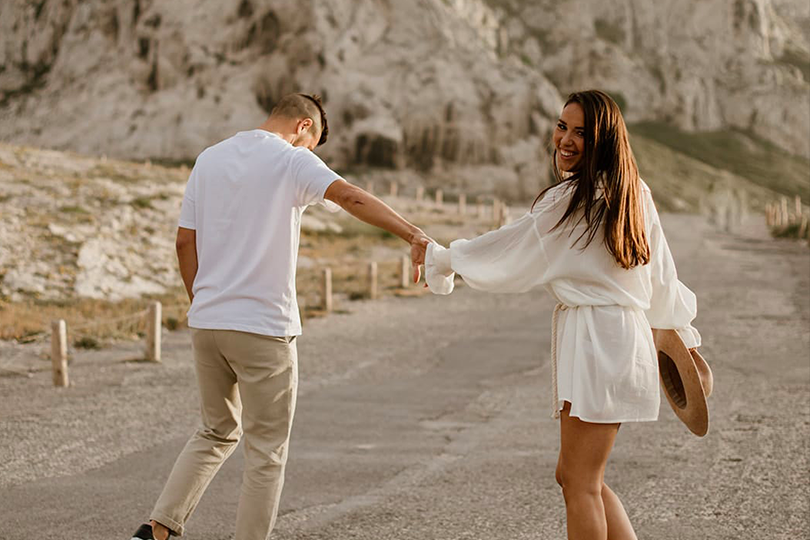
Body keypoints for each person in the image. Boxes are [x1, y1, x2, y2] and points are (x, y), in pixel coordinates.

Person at [130, 93, 431, 540]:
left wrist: (205, 301)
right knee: (266, 453)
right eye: (313, 145)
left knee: (215, 432)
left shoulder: (209, 159)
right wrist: (413, 233)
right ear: (304, 127)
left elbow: (183, 243)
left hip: (208, 322)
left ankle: (155, 531)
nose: (310, 154)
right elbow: (349, 195)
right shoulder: (291, 159)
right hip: (263, 328)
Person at [425, 90, 701, 540]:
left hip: (598, 342)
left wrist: (443, 258)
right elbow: (663, 277)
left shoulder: (576, 198)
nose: (566, 140)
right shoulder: (634, 192)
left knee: (580, 484)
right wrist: (681, 332)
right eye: (562, 127)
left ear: (604, 140)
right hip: (619, 339)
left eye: (581, 133)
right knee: (575, 477)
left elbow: (511, 246)